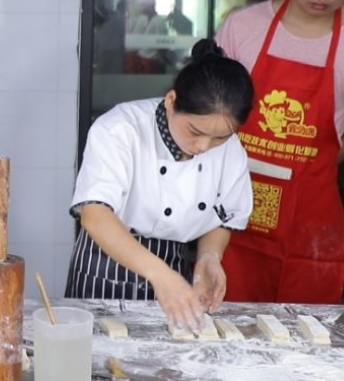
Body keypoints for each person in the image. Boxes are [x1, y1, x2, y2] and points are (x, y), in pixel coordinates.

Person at [217, 0, 344, 304]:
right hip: (238, 202)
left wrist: (307, 165)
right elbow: (210, 114)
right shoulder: (243, 27)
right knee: (231, 326)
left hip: (312, 218)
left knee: (306, 334)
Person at [65, 39, 255, 331]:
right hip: (105, 264)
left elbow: (223, 215)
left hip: (174, 264)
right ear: (171, 101)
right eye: (195, 131)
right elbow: (95, 214)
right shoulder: (120, 129)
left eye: (220, 138)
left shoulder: (232, 150)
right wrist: (161, 276)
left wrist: (208, 257)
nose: (204, 146)